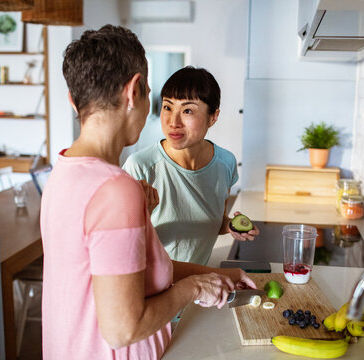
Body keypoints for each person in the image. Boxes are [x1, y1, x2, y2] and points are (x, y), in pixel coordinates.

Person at [40, 25, 255, 360]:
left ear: (73, 100)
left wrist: (221, 274)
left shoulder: (63, 171)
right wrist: (194, 287)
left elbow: (136, 272)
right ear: (134, 91)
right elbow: (123, 330)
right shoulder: (116, 190)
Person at [123, 66, 259, 265]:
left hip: (198, 281)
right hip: (153, 285)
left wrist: (231, 226)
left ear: (213, 117)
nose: (173, 122)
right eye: (168, 107)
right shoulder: (140, 167)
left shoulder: (226, 163)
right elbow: (123, 246)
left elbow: (214, 221)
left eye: (187, 110)